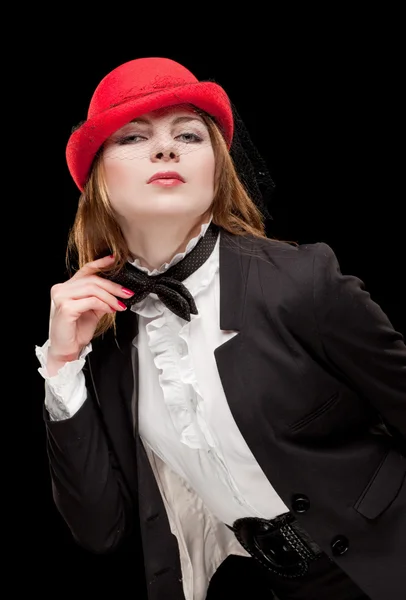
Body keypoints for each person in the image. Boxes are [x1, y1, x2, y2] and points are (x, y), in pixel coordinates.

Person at [35, 57, 406, 600]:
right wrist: (64, 368)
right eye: (133, 137)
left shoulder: (302, 281)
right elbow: (100, 529)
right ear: (98, 182)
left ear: (217, 167)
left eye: (188, 134)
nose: (166, 149)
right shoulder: (106, 334)